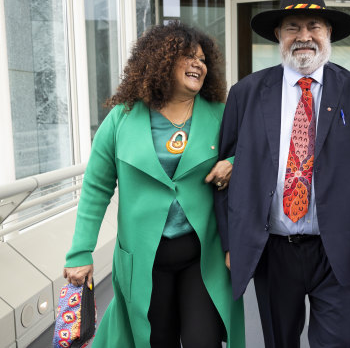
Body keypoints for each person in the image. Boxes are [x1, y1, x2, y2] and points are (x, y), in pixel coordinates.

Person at [214, 0, 350, 348]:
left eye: (314, 26)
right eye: (293, 27)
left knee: (340, 341)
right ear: (278, 34)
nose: (304, 35)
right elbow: (224, 171)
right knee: (280, 341)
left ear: (329, 32)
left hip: (337, 247)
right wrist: (231, 242)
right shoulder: (245, 93)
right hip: (273, 248)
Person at [63, 22, 245, 348]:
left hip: (203, 258)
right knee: (153, 341)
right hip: (144, 261)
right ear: (160, 61)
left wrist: (233, 163)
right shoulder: (121, 119)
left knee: (203, 341)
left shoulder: (222, 114)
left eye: (202, 59)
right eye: (188, 56)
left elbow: (254, 155)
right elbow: (96, 188)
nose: (198, 64)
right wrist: (80, 252)